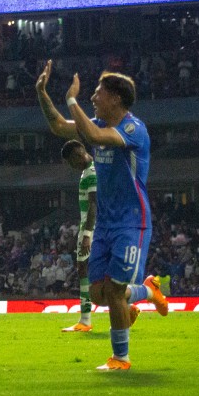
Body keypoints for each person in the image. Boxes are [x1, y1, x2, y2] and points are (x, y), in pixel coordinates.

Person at [36, 60, 167, 371]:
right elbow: (58, 126)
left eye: (98, 93)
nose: (93, 98)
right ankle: (149, 290)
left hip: (131, 221)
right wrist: (42, 93)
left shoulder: (134, 129)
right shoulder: (99, 122)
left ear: (115, 99)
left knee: (116, 291)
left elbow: (93, 136)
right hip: (107, 224)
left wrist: (72, 99)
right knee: (99, 292)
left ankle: (120, 359)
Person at [59, 139, 140, 333]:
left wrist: (87, 234)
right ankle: (124, 309)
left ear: (78, 154)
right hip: (92, 228)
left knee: (87, 272)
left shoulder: (92, 173)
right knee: (88, 273)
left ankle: (88, 320)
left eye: (72, 161)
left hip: (94, 230)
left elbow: (94, 205)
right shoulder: (89, 172)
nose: (72, 166)